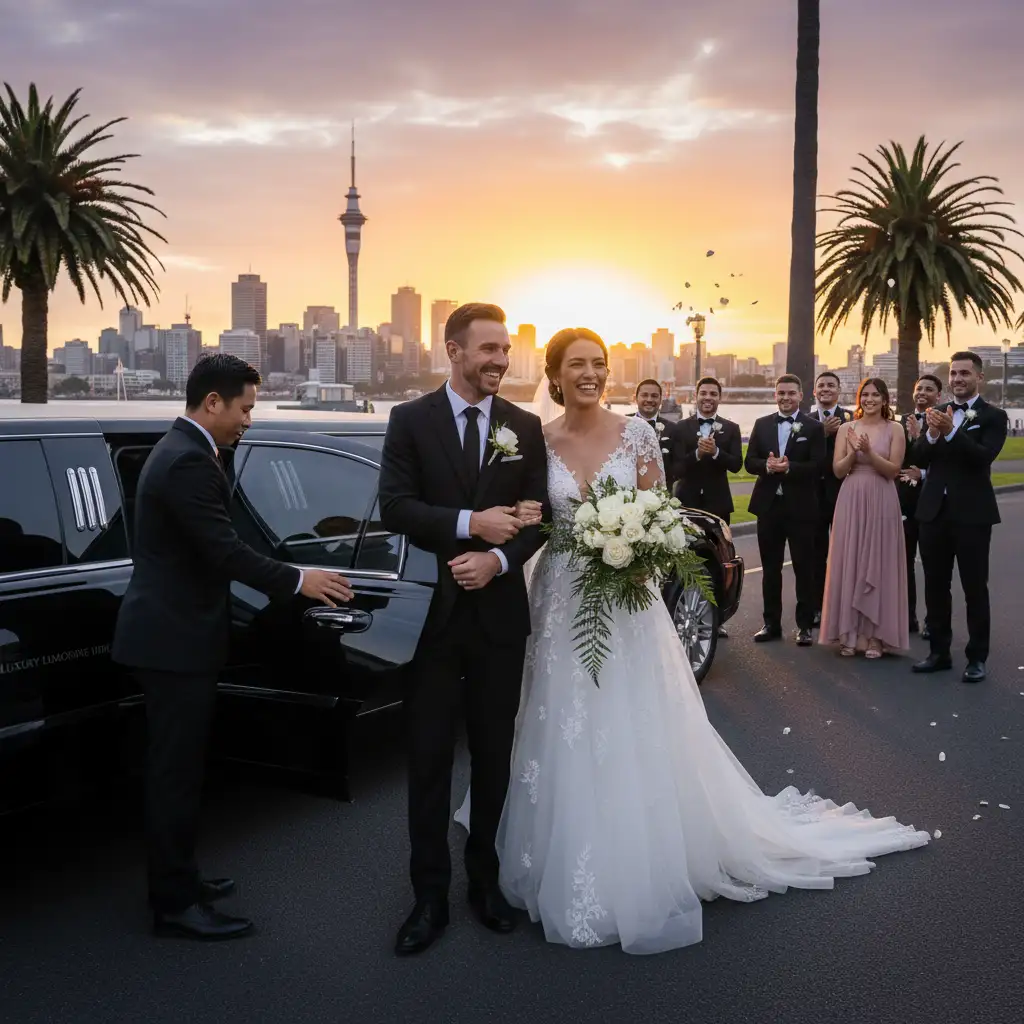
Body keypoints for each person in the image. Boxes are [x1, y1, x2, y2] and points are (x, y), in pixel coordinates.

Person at [489, 328, 929, 954]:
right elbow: (533, 512)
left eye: (599, 364)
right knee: (561, 716)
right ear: (554, 375)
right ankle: (563, 849)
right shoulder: (539, 440)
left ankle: (643, 854)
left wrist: (636, 550)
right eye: (576, 365)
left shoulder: (636, 433)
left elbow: (658, 510)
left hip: (625, 597)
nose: (590, 374)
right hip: (563, 600)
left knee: (628, 715)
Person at [112, 354, 351, 940]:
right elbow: (224, 552)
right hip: (173, 643)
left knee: (182, 770)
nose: (250, 419)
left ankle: (183, 877)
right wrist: (302, 579)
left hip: (170, 636)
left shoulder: (178, 450)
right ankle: (173, 903)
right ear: (212, 403)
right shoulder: (190, 462)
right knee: (175, 776)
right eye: (244, 408)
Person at [378, 302, 549, 956]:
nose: (500, 361)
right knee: (426, 764)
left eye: (505, 350)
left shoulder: (524, 426)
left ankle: (485, 883)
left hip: (500, 620)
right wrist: (469, 525)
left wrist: (500, 557)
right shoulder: (410, 420)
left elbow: (536, 516)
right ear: (453, 350)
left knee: (493, 759)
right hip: (432, 622)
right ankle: (428, 897)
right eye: (488, 350)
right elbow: (396, 506)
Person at [910, 351, 1008, 683]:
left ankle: (976, 658)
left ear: (979, 377)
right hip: (933, 512)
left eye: (965, 373)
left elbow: (982, 458)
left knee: (973, 588)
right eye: (953, 373)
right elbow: (920, 456)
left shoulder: (994, 416)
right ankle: (938, 652)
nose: (957, 379)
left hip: (972, 514)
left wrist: (952, 432)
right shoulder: (934, 412)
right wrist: (933, 435)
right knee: (936, 586)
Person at [819, 378, 908, 658]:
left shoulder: (895, 429)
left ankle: (875, 638)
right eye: (864, 395)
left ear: (885, 399)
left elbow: (893, 471)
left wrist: (869, 452)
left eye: (875, 395)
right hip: (851, 496)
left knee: (877, 562)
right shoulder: (847, 428)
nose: (869, 399)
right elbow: (837, 470)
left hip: (882, 496)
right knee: (850, 560)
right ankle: (849, 633)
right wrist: (855, 452)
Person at [744, 375, 826, 646]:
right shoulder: (762, 424)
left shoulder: (813, 427)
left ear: (802, 395)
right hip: (769, 507)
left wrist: (789, 468)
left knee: (804, 568)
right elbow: (749, 461)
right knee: (770, 568)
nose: (786, 397)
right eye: (781, 393)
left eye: (791, 393)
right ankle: (771, 624)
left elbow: (818, 466)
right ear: (774, 395)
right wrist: (766, 466)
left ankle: (804, 626)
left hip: (801, 508)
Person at [898, 374, 943, 636]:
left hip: (933, 503)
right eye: (919, 389)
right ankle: (908, 617)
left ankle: (932, 621)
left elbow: (943, 460)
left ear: (938, 395)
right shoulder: (901, 422)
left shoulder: (943, 421)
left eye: (929, 389)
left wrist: (922, 472)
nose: (922, 393)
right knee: (903, 564)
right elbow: (898, 458)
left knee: (932, 565)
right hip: (904, 502)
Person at [810, 371, 853, 628]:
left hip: (843, 494)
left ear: (839, 391)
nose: (826, 389)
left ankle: (843, 608)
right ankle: (816, 608)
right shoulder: (804, 420)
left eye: (831, 385)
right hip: (812, 496)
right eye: (821, 386)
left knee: (844, 554)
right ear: (815, 392)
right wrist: (820, 433)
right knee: (815, 555)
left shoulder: (852, 418)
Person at [670, 376, 743, 522]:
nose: (708, 398)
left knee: (720, 545)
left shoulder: (732, 428)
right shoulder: (680, 427)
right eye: (703, 393)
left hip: (718, 503)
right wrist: (697, 454)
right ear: (695, 396)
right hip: (686, 502)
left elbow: (736, 465)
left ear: (720, 398)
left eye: (713, 394)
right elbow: (675, 468)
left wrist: (716, 452)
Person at [630, 378, 677, 490]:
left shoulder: (673, 429)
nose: (649, 399)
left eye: (654, 396)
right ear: (635, 398)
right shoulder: (622, 424)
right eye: (644, 395)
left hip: (662, 495)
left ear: (661, 399)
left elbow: (678, 467)